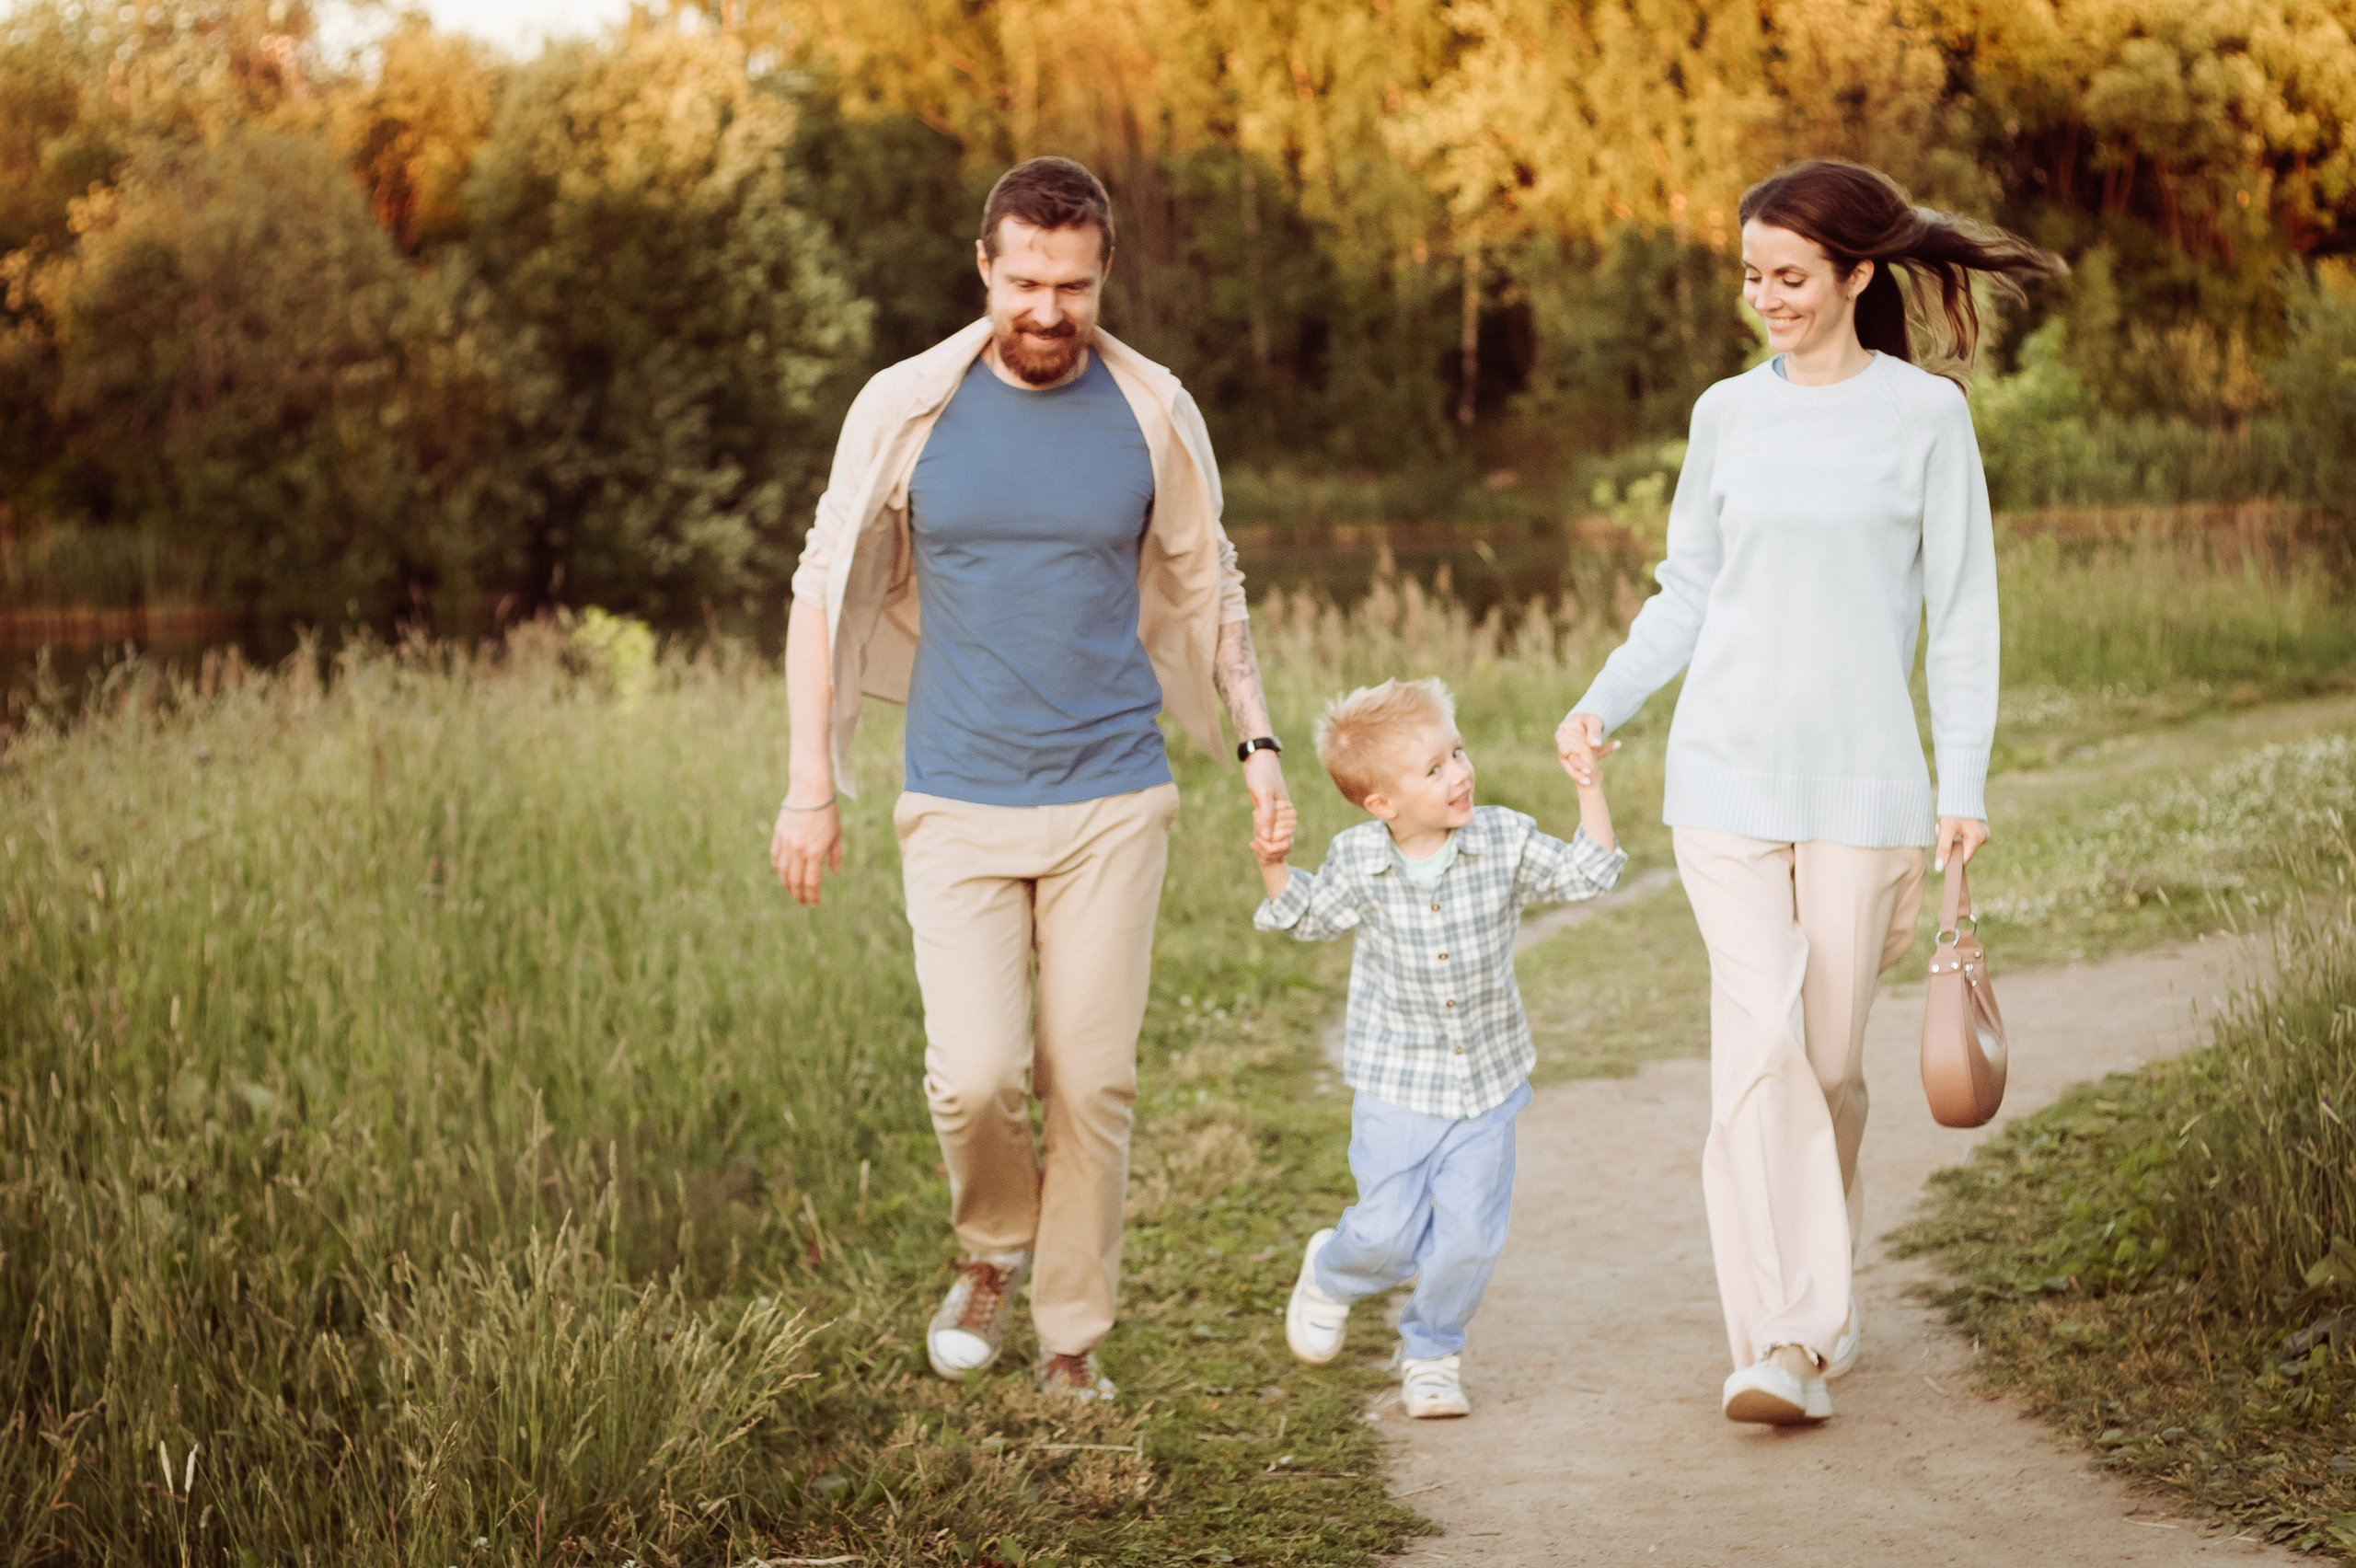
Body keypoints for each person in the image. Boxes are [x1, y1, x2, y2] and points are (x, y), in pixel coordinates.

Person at [769, 157, 1295, 1401]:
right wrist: (810, 783)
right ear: (985, 269)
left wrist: (1258, 742)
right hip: (956, 797)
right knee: (976, 1078)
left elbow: (1210, 581)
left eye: (1074, 286)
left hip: (1113, 793)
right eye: (1026, 283)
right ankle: (991, 1249)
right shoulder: (908, 406)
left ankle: (1070, 1338)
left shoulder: (1153, 408)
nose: (1049, 311)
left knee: (1092, 1079)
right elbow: (820, 587)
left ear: (1104, 273)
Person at [1555, 159, 2062, 1425]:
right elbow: (1687, 590)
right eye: (1751, 276)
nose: (1766, 298)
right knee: (1759, 1053)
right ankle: (1785, 1342)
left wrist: (1962, 784)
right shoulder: (1726, 414)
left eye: (1789, 276)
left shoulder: (1925, 418)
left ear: (1854, 273)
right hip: (1721, 780)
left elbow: (1963, 615)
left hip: (1865, 787)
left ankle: (1815, 1299)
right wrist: (1603, 700)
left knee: (1826, 1069)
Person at [1253, 678, 1623, 1417]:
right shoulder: (1359, 861)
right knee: (1386, 1236)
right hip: (1398, 1085)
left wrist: (1589, 787)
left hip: (1487, 1083)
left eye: (1457, 753)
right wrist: (1273, 860)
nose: (1459, 773)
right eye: (1433, 769)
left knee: (1469, 1240)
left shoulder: (1503, 839)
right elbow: (1305, 916)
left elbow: (1587, 874)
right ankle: (1331, 1272)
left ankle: (1432, 1351)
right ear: (1381, 803)